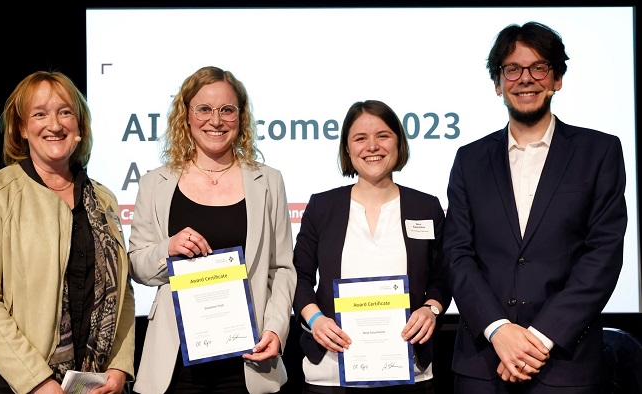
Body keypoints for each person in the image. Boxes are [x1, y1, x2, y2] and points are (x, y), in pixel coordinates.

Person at [444, 21, 627, 393]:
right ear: (498, 83)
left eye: (538, 67)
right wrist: (498, 330)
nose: (525, 79)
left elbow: (603, 256)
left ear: (556, 78)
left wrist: (540, 339)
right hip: (483, 364)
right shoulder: (470, 159)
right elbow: (456, 253)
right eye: (512, 69)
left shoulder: (599, 152)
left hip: (565, 365)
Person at [0, 71, 136, 394]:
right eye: (39, 114)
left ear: (79, 126)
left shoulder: (104, 199)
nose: (54, 125)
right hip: (9, 382)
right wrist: (37, 380)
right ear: (22, 128)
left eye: (65, 112)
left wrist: (120, 366)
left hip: (91, 386)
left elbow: (122, 291)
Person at [128, 66, 296, 394]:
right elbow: (136, 265)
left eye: (226, 110)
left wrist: (276, 329)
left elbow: (283, 269)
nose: (215, 121)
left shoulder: (268, 181)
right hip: (176, 364)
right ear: (186, 116)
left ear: (241, 117)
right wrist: (168, 248)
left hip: (249, 358)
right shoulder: (155, 183)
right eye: (204, 109)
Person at [293, 100, 451, 394]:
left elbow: (444, 276)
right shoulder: (322, 206)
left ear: (398, 142)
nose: (372, 146)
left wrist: (432, 309)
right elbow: (299, 277)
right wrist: (315, 319)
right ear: (347, 148)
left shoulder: (426, 206)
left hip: (409, 370)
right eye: (360, 138)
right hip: (330, 372)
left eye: (383, 135)